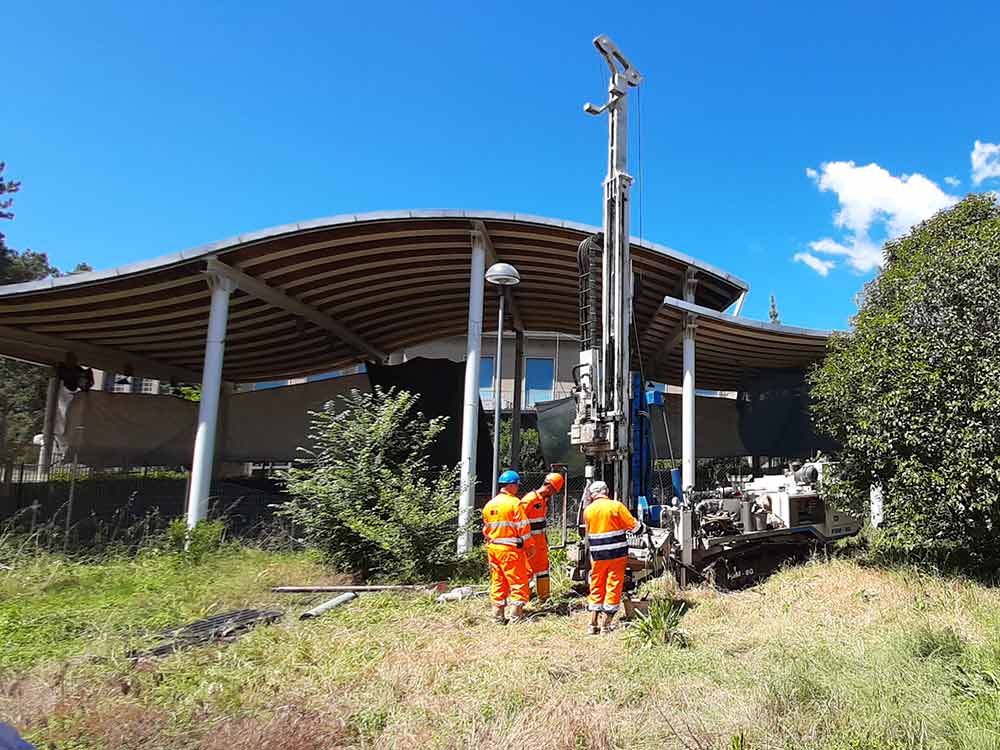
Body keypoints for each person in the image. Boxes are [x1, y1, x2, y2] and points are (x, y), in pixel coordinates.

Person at [582, 480, 646, 634]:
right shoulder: (616, 506)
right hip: (616, 554)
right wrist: (644, 528)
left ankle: (592, 624)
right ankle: (605, 625)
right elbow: (634, 527)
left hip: (597, 555)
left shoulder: (588, 511)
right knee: (613, 585)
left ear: (592, 495)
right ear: (607, 491)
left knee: (597, 585)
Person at [482, 470, 531, 624]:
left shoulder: (489, 505)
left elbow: (486, 530)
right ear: (511, 485)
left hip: (493, 549)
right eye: (516, 485)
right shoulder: (514, 503)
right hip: (510, 550)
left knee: (498, 581)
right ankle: (516, 616)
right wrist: (529, 546)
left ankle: (497, 616)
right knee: (518, 581)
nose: (517, 488)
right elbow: (523, 527)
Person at [519, 471, 565, 602]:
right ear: (550, 487)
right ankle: (522, 599)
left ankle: (544, 597)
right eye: (555, 490)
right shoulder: (529, 499)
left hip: (540, 543)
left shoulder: (543, 500)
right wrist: (524, 542)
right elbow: (519, 521)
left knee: (543, 569)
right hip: (529, 543)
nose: (554, 494)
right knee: (527, 571)